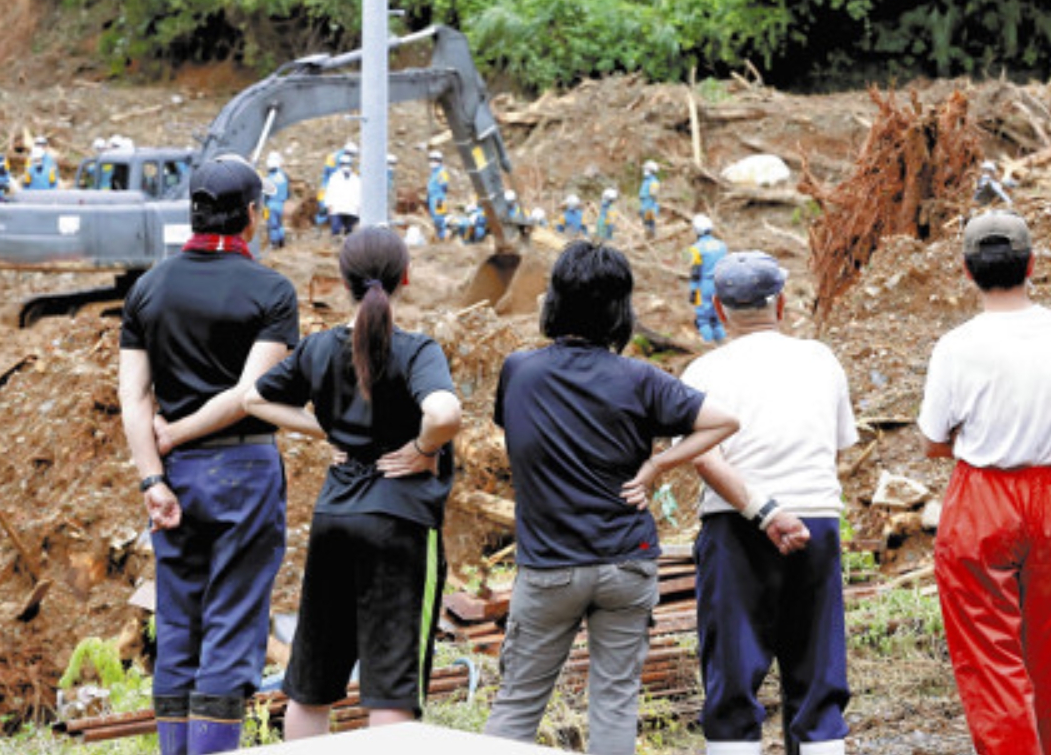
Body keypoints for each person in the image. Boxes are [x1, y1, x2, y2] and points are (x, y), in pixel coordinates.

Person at [484, 241, 745, 755]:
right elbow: (724, 420)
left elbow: (507, 427)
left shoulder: (520, 370)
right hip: (627, 563)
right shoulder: (640, 378)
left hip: (549, 567)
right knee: (615, 700)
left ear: (555, 302)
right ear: (619, 310)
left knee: (517, 704)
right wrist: (657, 464)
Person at [244, 226, 463, 739]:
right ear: (405, 278)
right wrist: (423, 449)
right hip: (400, 526)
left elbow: (253, 399)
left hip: (334, 518)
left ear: (343, 281)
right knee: (389, 690)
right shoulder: (415, 350)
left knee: (311, 685)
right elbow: (445, 411)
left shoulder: (319, 348)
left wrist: (326, 429)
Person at [118, 155, 300, 755]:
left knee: (178, 624)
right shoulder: (271, 291)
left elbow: (133, 395)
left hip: (173, 481)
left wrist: (153, 473)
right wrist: (178, 435)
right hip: (242, 471)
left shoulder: (149, 287)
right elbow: (250, 395)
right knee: (232, 624)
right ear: (251, 213)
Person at [918, 211, 1051, 755]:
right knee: (1044, 644)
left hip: (984, 496)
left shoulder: (956, 346)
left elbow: (932, 441)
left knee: (991, 656)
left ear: (966, 272)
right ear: (1032, 264)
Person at [682, 250, 857, 755]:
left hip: (735, 527)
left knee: (732, 679)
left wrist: (761, 509)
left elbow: (702, 458)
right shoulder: (821, 360)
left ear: (719, 310)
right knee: (817, 674)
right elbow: (838, 446)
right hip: (816, 518)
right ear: (781, 304)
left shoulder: (702, 371)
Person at [688, 214, 729, 344]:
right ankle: (723, 346)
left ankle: (708, 347)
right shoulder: (722, 246)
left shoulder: (696, 249)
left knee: (703, 319)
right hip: (720, 284)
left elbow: (695, 272)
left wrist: (693, 290)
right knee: (717, 318)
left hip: (704, 285)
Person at [324, 153, 361, 237]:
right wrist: (329, 205)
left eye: (347, 164)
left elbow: (358, 193)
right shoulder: (334, 178)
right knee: (336, 228)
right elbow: (330, 191)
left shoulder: (355, 178)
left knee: (349, 230)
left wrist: (359, 206)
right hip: (337, 207)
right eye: (343, 164)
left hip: (351, 208)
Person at [265, 151, 290, 249]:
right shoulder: (283, 176)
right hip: (281, 204)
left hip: (271, 204)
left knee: (273, 225)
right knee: (280, 224)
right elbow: (288, 191)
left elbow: (265, 195)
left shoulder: (268, 179)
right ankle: (282, 242)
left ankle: (275, 243)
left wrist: (264, 205)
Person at [426, 149, 451, 241]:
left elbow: (444, 186)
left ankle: (443, 236)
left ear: (439, 161)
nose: (433, 162)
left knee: (439, 218)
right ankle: (439, 236)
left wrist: (438, 196)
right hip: (432, 198)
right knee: (434, 218)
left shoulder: (441, 172)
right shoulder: (433, 173)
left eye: (435, 160)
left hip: (439, 198)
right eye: (431, 160)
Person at [639, 160, 661, 238]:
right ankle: (649, 235)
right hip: (645, 204)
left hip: (649, 205)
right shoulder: (646, 181)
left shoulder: (654, 182)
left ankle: (651, 237)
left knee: (649, 222)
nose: (644, 171)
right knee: (646, 222)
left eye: (646, 169)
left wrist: (648, 207)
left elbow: (653, 195)